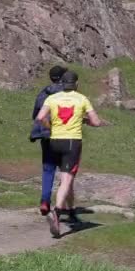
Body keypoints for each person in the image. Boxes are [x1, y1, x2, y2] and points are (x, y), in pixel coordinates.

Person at [35, 70, 104, 237]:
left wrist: (50, 126)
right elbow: (96, 122)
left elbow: (40, 117)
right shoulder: (81, 99)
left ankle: (71, 210)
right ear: (76, 84)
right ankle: (58, 212)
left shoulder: (52, 98)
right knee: (66, 179)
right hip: (72, 142)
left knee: (62, 177)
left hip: (54, 140)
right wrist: (86, 121)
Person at [30, 65, 68, 216]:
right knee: (66, 170)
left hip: (46, 136)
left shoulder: (43, 93)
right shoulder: (68, 94)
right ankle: (61, 204)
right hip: (65, 136)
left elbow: (35, 114)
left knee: (48, 168)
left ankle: (45, 201)